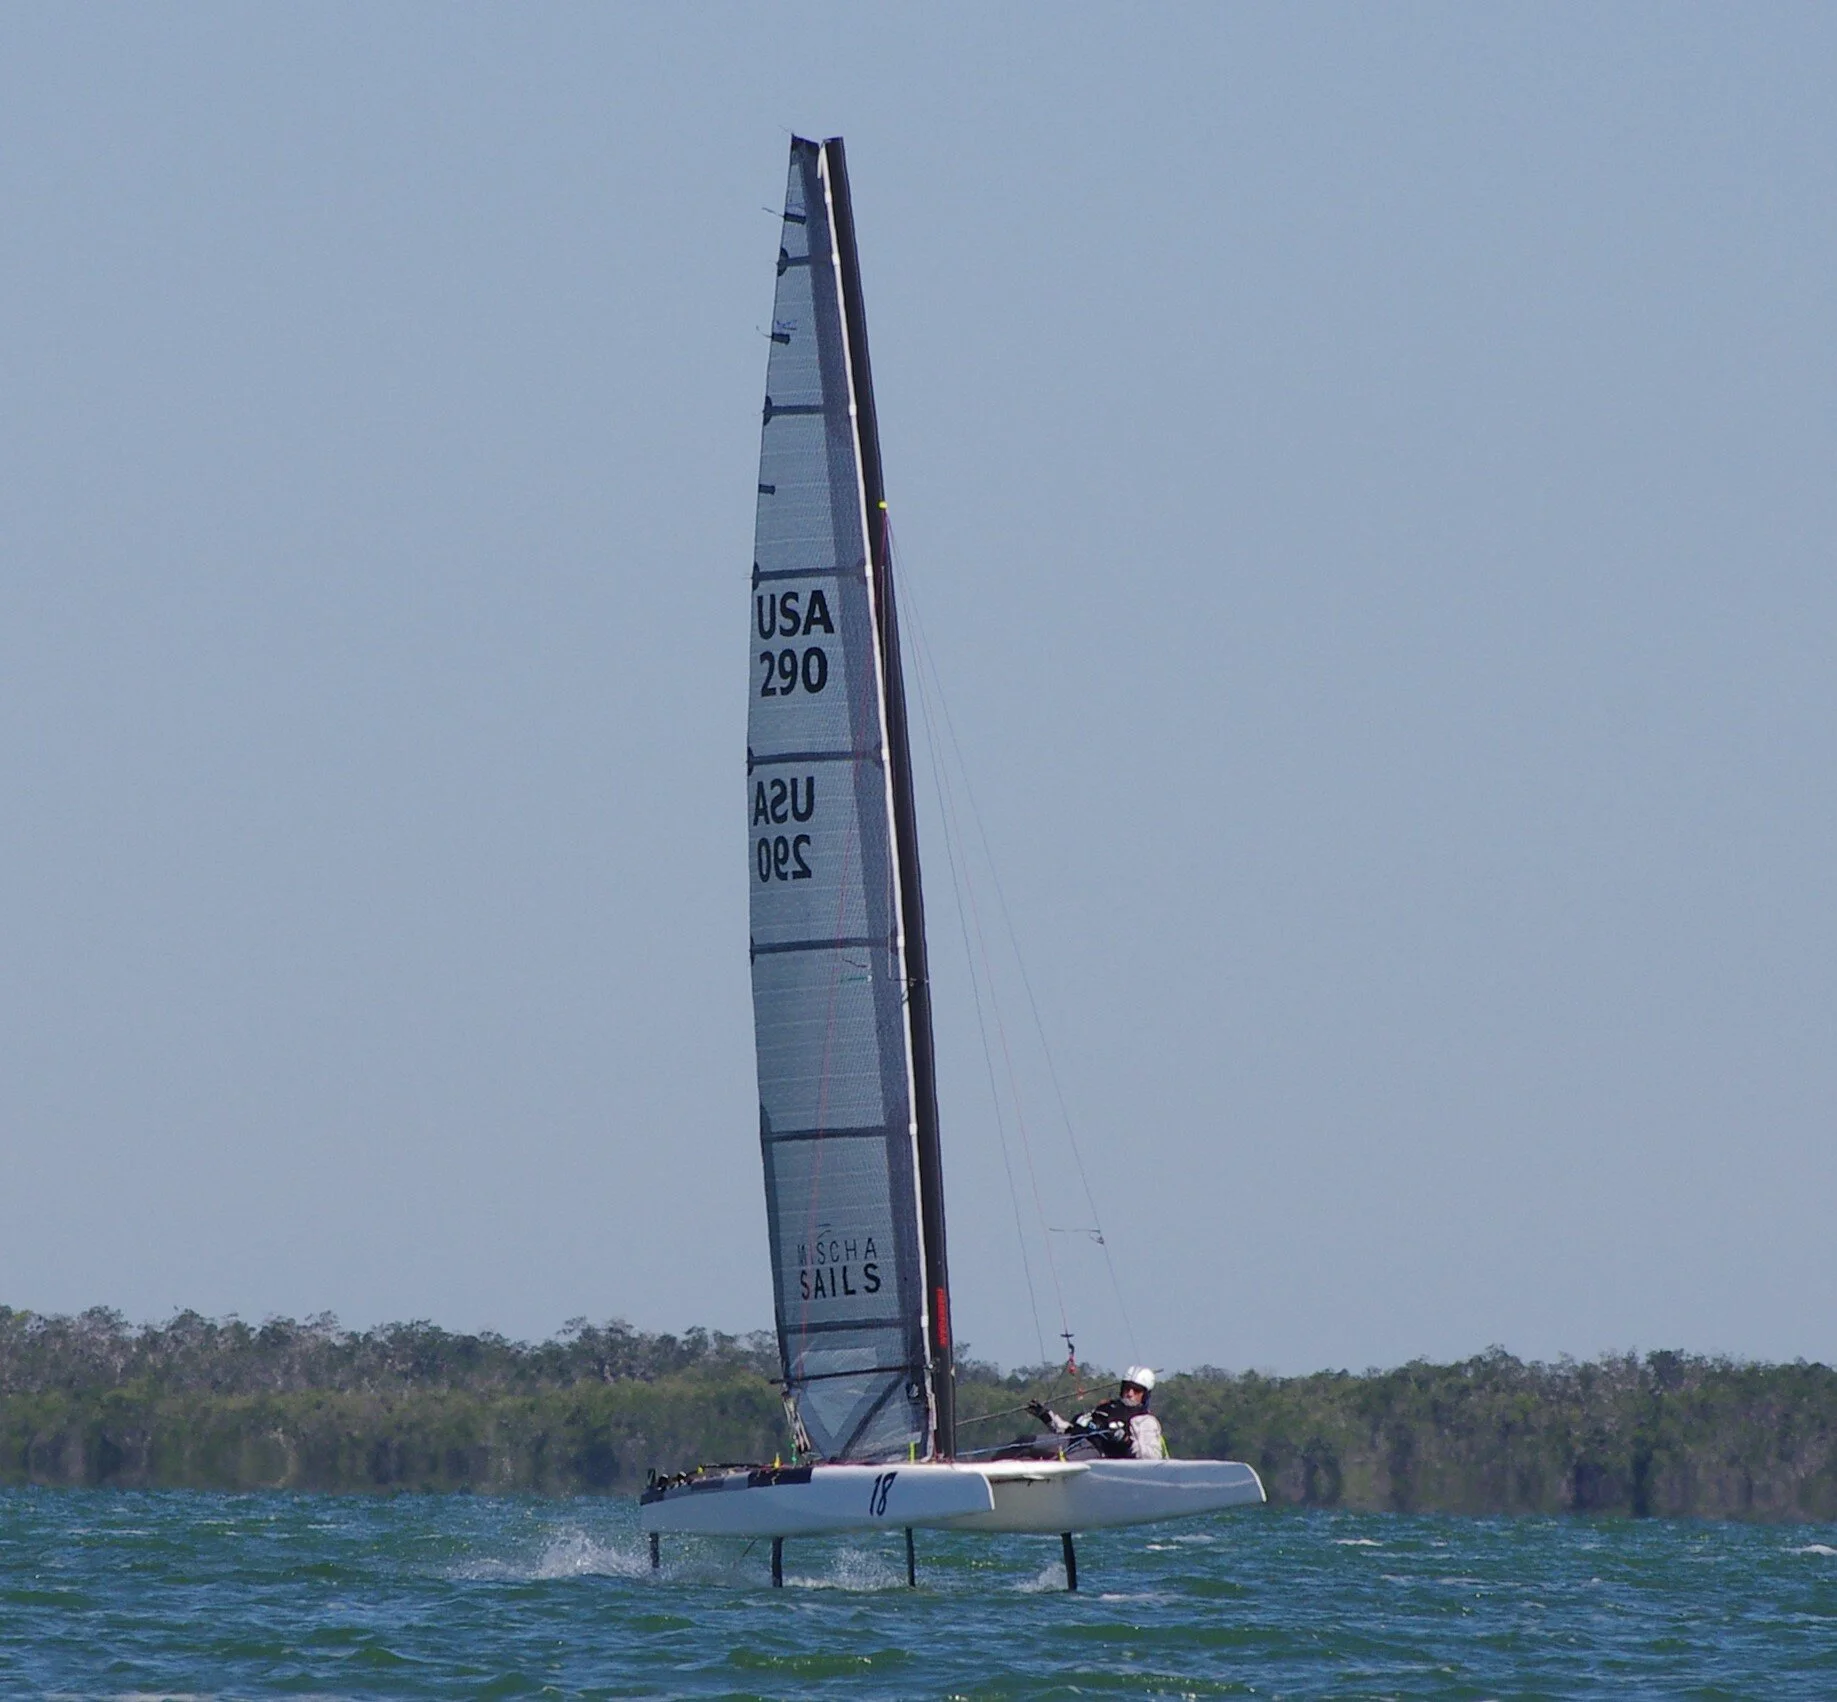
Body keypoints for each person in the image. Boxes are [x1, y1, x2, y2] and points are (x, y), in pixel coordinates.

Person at [1026, 1366, 1168, 1460]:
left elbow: (1152, 1458)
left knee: (1055, 1462)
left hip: (1096, 1454)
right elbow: (1071, 1429)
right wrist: (1046, 1416)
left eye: (1136, 1390)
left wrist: (1125, 1440)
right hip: (1073, 1440)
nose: (1130, 1394)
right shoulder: (1107, 1407)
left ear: (1145, 1395)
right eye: (1127, 1388)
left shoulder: (1144, 1420)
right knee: (1025, 1442)